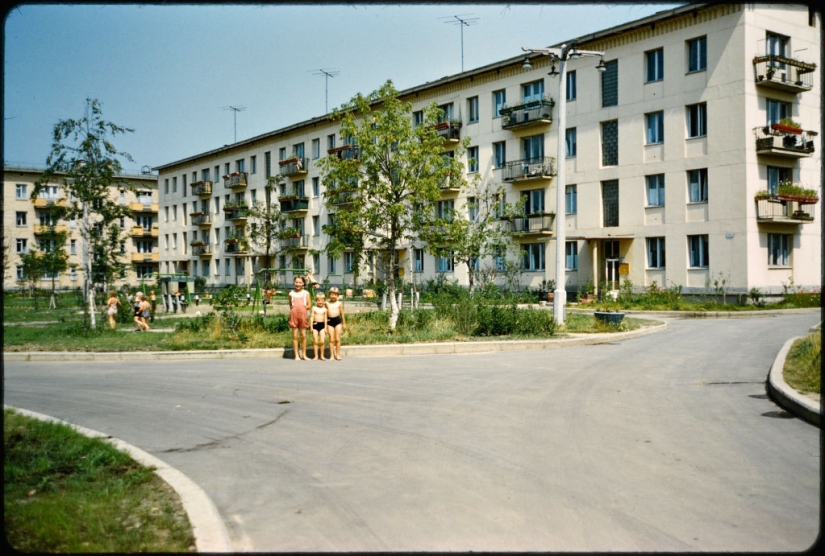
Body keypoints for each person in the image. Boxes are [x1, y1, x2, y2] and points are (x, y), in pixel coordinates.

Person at [288, 276, 310, 361]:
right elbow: (290, 305)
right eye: (296, 282)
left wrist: (303, 309)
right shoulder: (291, 293)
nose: (298, 284)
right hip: (294, 315)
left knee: (303, 335)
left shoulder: (306, 293)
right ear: (294, 283)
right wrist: (295, 310)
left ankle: (304, 354)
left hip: (303, 315)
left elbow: (309, 305)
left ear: (303, 283)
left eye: (300, 282)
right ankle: (296, 355)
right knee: (295, 335)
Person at [326, 287, 347, 361]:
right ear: (329, 295)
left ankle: (338, 354)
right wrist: (325, 325)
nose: (333, 296)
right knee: (331, 339)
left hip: (337, 321)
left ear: (337, 295)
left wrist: (344, 323)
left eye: (335, 295)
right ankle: (332, 355)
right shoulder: (327, 303)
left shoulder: (339, 304)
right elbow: (325, 314)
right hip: (329, 321)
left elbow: (342, 314)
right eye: (332, 294)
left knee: (337, 339)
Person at [310, 292, 328, 361]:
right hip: (315, 325)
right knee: (315, 341)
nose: (320, 302)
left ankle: (322, 355)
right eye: (318, 300)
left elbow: (326, 319)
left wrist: (326, 328)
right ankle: (316, 356)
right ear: (316, 301)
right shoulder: (314, 308)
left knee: (322, 341)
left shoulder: (325, 309)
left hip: (322, 326)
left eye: (322, 300)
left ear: (324, 300)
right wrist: (311, 327)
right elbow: (312, 317)